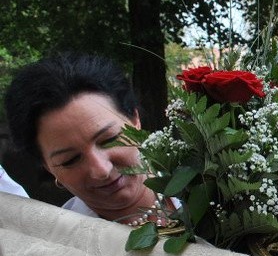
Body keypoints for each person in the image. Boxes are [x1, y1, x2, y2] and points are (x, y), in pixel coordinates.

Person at [4, 54, 170, 224]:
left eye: (109, 140)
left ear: (134, 120)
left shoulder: (195, 182)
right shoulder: (61, 246)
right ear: (48, 167)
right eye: (70, 160)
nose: (101, 170)